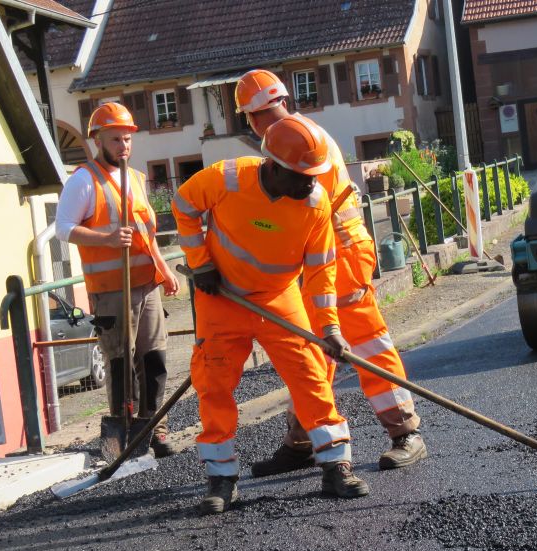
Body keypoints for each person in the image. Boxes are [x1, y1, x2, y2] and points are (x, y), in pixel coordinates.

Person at [232, 69, 427, 477]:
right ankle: (302, 440)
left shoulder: (298, 140)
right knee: (310, 352)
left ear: (249, 116)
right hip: (319, 259)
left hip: (343, 255)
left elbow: (300, 210)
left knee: (367, 344)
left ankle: (406, 434)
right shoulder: (292, 136)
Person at [173, 115, 369, 515]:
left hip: (279, 297)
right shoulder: (226, 178)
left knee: (310, 374)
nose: (311, 183)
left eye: (315, 175)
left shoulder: (315, 205)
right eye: (302, 175)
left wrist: (329, 327)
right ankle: (222, 478)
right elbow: (183, 207)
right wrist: (201, 263)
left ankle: (335, 466)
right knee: (213, 384)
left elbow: (320, 271)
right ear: (274, 167)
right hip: (222, 297)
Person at [55, 102, 179, 458]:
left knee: (154, 358)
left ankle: (154, 427)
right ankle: (123, 430)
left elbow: (146, 233)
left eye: (127, 139)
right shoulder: (84, 180)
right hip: (111, 290)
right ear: (98, 140)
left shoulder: (137, 179)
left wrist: (165, 269)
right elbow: (64, 229)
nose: (124, 146)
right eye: (116, 140)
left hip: (147, 282)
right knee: (121, 361)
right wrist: (107, 239)